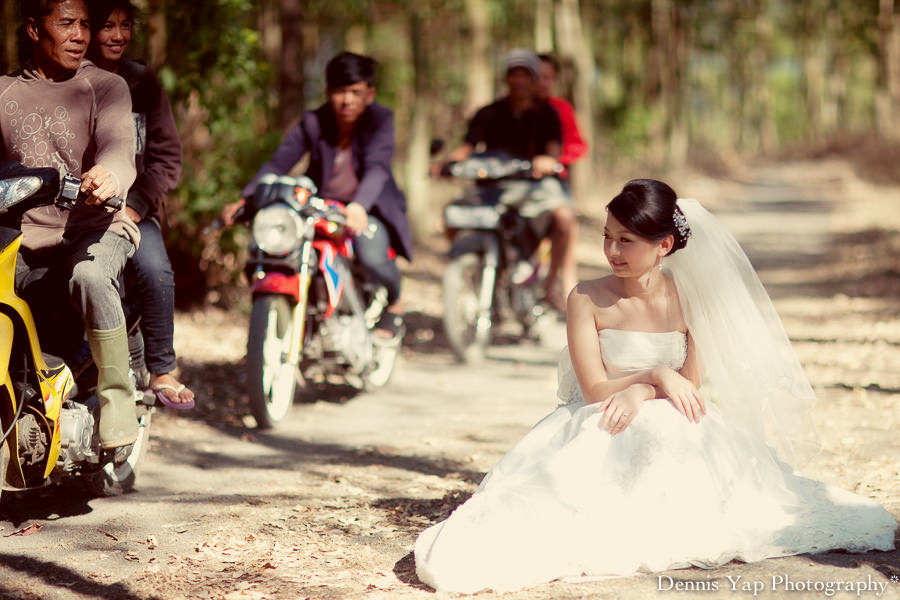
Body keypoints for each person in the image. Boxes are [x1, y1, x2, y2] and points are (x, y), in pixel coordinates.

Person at [414, 179, 897, 593]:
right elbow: (594, 387)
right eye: (607, 237)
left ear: (663, 245)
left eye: (627, 241)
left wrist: (649, 387)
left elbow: (689, 385)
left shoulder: (691, 297)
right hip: (598, 416)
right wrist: (650, 374)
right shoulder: (586, 298)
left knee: (674, 438)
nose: (612, 251)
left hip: (674, 413)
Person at [0, 0, 139, 449]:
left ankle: (119, 402)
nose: (79, 34)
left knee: (90, 277)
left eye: (84, 24)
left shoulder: (107, 86)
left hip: (94, 227)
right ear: (34, 29)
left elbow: (120, 145)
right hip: (20, 232)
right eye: (66, 23)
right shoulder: (2, 92)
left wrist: (110, 174)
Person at [221, 51, 411, 338]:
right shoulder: (314, 121)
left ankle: (396, 302)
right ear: (327, 92)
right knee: (278, 250)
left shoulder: (380, 120)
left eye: (355, 92)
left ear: (369, 94)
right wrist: (247, 198)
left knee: (373, 257)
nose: (346, 100)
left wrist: (359, 206)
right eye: (339, 91)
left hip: (368, 208)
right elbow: (279, 162)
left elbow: (377, 167)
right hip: (319, 205)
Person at [87, 0, 194, 409]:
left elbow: (167, 157)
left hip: (136, 208)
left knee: (155, 269)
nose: (118, 35)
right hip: (77, 210)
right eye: (107, 27)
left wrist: (135, 205)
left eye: (125, 25)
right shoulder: (70, 81)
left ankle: (162, 369)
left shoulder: (142, 81)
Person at [444, 49, 577, 311]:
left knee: (564, 218)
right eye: (513, 74)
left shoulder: (548, 113)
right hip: (491, 188)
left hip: (533, 186)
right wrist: (447, 164)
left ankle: (551, 284)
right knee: (452, 214)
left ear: (534, 79)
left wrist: (547, 161)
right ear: (506, 78)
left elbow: (553, 151)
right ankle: (471, 270)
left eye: (524, 74)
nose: (518, 80)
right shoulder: (488, 113)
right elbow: (467, 147)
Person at [536, 53, 585, 304]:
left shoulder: (560, 108)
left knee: (566, 223)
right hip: (513, 181)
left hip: (553, 182)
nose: (542, 83)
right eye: (537, 76)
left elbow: (579, 146)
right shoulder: (512, 108)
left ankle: (564, 286)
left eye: (548, 77)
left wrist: (556, 161)